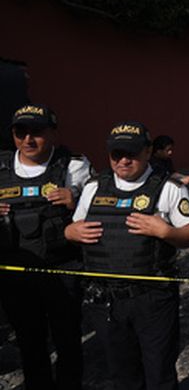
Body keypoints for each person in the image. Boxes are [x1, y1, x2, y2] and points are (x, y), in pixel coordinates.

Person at [65, 121, 189, 390]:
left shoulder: (170, 187)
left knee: (159, 370)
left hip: (152, 296)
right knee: (122, 372)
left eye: (132, 153)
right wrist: (71, 232)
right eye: (117, 154)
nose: (124, 160)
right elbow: (73, 228)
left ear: (148, 152)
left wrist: (166, 232)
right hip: (106, 299)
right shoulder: (93, 187)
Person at [0, 104, 92, 390]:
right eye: (20, 132)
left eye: (37, 132)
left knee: (67, 339)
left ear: (53, 133)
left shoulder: (74, 166)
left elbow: (99, 213)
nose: (28, 139)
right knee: (29, 339)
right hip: (16, 271)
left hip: (62, 268)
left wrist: (75, 201)